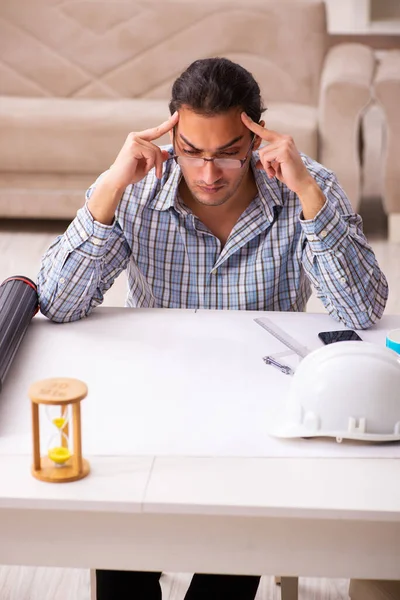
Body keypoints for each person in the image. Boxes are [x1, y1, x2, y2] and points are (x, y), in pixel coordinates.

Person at [38, 57, 388, 599]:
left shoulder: (305, 185)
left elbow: (362, 310)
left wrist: (309, 199)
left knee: (230, 549)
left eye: (227, 154)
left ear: (256, 139)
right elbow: (57, 303)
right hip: (151, 403)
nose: (207, 174)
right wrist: (109, 188)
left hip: (258, 416)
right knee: (121, 549)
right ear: (170, 137)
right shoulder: (135, 187)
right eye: (192, 153)